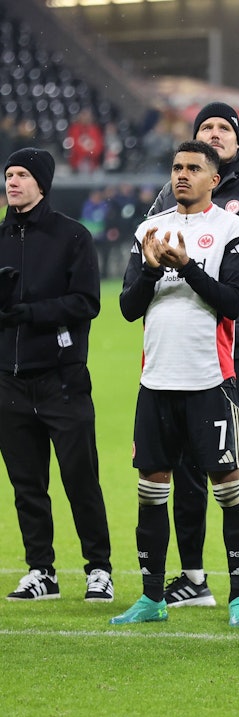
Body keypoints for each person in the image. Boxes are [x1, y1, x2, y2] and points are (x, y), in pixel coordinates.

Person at [149, 102, 239, 611]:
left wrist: (224, 256)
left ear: (238, 137)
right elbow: (149, 247)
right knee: (186, 464)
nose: (214, 133)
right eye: (205, 127)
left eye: (223, 127)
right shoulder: (171, 192)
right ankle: (193, 576)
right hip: (182, 348)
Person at [113, 140, 239, 627]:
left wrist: (186, 267)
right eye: (177, 167)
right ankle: (152, 598)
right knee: (151, 487)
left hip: (210, 379)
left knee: (228, 485)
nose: (182, 174)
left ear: (214, 179)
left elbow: (232, 303)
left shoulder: (233, 230)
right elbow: (128, 307)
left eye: (194, 168)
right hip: (156, 380)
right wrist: (152, 270)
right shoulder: (149, 230)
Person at [0, 148, 113, 603]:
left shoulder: (72, 236)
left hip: (61, 378)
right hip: (8, 380)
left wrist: (28, 313)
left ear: (42, 184)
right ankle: (40, 571)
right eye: (8, 174)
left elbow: (87, 302)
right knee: (27, 485)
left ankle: (99, 569)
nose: (12, 182)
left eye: (22, 175)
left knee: (80, 479)